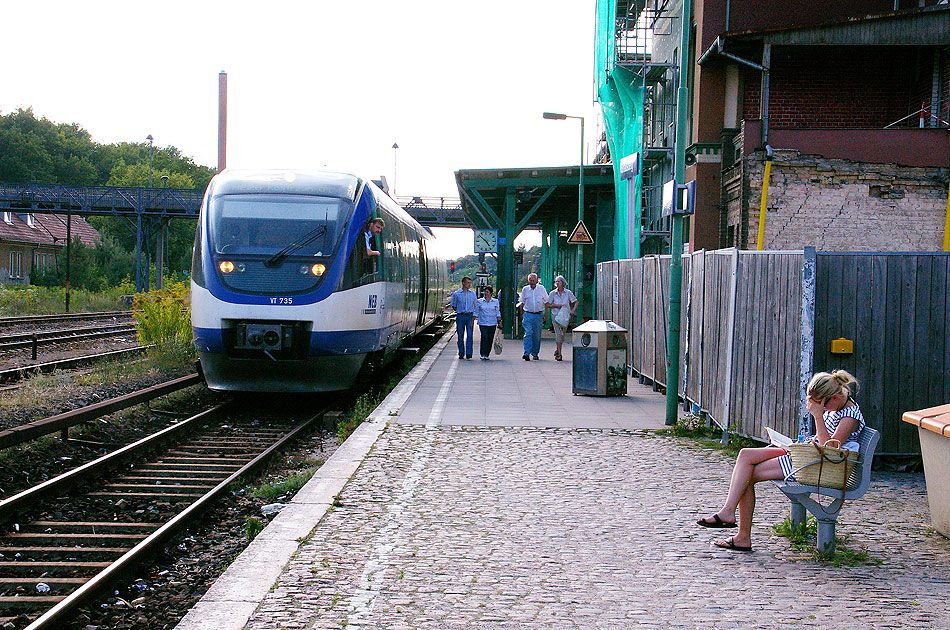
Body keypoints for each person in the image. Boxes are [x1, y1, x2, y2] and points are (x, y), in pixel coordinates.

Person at [696, 369, 866, 552]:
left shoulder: (849, 415)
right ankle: (729, 514)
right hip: (808, 456)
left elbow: (830, 450)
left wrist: (817, 416)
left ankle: (740, 533)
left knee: (748, 474)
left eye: (823, 406)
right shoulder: (837, 408)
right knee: (745, 455)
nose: (823, 410)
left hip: (816, 465)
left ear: (833, 397)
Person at [545, 275, 578, 361]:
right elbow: (547, 304)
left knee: (562, 334)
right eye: (556, 281)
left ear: (562, 282)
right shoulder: (552, 293)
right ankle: (559, 354)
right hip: (555, 315)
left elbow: (576, 302)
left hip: (565, 315)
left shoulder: (568, 293)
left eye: (558, 281)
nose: (557, 283)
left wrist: (572, 311)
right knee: (558, 333)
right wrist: (555, 305)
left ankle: (557, 349)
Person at [517, 273, 548, 361]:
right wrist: (522, 315)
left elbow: (546, 302)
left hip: (538, 314)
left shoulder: (541, 289)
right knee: (528, 333)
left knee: (537, 335)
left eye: (533, 280)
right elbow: (522, 302)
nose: (532, 282)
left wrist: (545, 314)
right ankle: (526, 352)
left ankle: (535, 353)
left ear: (537, 280)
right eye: (530, 280)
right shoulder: (525, 289)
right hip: (528, 314)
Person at [449, 276, 478, 359]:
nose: (469, 284)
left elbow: (476, 305)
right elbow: (454, 305)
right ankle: (461, 352)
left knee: (469, 335)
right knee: (460, 335)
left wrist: (473, 317)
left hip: (469, 316)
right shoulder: (456, 294)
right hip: (460, 316)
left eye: (470, 283)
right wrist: (459, 310)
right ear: (463, 283)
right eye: (468, 283)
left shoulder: (472, 294)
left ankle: (469, 353)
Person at [473, 285, 501, 360]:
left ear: (491, 293)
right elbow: (476, 311)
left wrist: (499, 320)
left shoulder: (495, 301)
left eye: (487, 292)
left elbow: (497, 312)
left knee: (490, 338)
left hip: (492, 323)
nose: (486, 293)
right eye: (485, 292)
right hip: (483, 322)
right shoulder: (479, 301)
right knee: (484, 337)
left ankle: (487, 354)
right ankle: (482, 353)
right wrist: (473, 319)